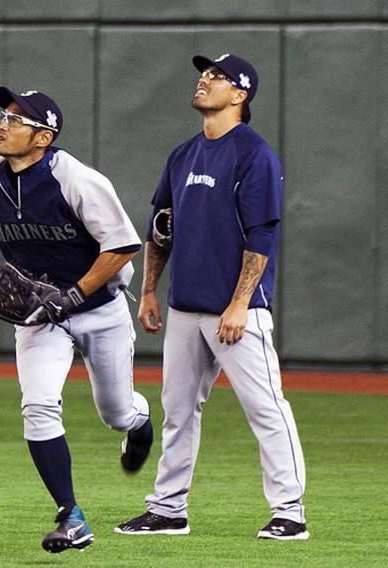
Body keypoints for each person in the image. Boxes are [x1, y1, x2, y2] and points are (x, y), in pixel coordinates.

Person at [115, 54, 308, 540]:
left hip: (235, 311)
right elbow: (162, 227)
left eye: (217, 77)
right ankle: (167, 510)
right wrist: (150, 291)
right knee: (177, 412)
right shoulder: (183, 154)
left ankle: (290, 512)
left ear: (240, 96)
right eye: (204, 73)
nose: (205, 80)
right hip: (184, 308)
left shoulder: (254, 155)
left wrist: (241, 303)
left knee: (266, 409)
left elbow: (261, 236)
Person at [0, 87, 153, 553]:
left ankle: (139, 421)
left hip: (100, 310)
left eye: (16, 119)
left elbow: (122, 246)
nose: (2, 123)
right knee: (37, 405)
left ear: (43, 137)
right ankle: (71, 515)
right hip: (38, 313)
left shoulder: (77, 180)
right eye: (3, 115)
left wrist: (75, 293)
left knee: (115, 412)